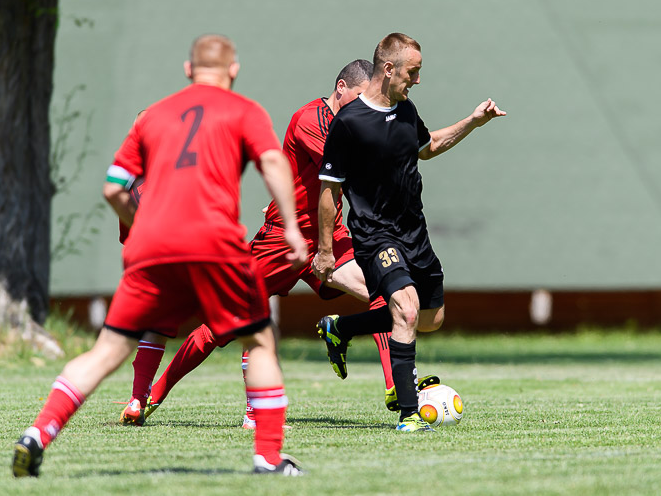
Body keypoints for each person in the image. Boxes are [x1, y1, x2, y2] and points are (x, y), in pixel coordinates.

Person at [12, 34, 307, 477]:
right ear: (233, 70)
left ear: (188, 70)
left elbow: (113, 188)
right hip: (215, 245)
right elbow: (273, 163)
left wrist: (143, 224)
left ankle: (37, 435)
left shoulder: (152, 117)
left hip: (151, 247)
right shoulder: (245, 110)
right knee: (260, 342)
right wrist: (293, 228)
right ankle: (267, 457)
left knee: (106, 351)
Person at [120, 59, 439, 430]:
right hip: (282, 242)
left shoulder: (355, 121)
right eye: (359, 96)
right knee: (220, 326)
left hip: (327, 238)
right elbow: (352, 169)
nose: (364, 104)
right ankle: (154, 394)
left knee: (385, 293)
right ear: (341, 88)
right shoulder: (311, 119)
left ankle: (395, 386)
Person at [313, 33, 506, 432]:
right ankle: (409, 414)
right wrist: (325, 249)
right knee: (406, 309)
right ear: (388, 69)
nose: (417, 80)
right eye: (412, 72)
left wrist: (473, 122)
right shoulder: (348, 123)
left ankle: (341, 328)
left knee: (431, 319)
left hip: (414, 232)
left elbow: (428, 146)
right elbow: (329, 191)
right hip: (374, 235)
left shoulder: (405, 110)